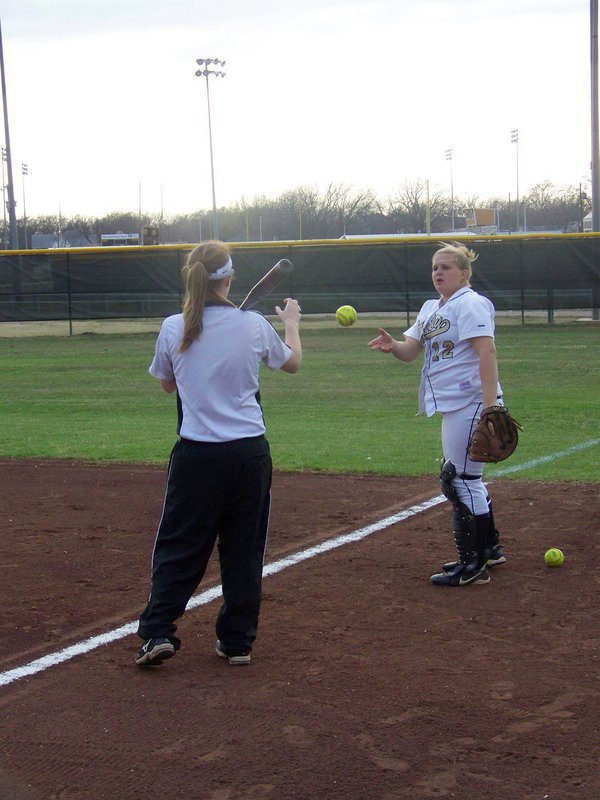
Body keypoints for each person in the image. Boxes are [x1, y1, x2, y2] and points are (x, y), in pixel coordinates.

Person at [135, 240, 302, 666]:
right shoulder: (253, 324)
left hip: (198, 455)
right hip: (248, 456)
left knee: (180, 545)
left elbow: (167, 384)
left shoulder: (175, 326)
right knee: (243, 549)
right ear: (229, 278)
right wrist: (292, 322)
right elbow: (292, 363)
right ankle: (237, 641)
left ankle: (157, 632)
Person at [368, 241, 507, 587]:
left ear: (464, 273)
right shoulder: (432, 307)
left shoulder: (471, 303)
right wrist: (393, 347)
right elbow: (410, 352)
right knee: (462, 477)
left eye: (446, 267)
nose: (438, 273)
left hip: (471, 400)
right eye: (434, 267)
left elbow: (486, 351)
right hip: (452, 404)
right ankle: (488, 549)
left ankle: (472, 564)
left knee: (459, 480)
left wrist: (490, 405)